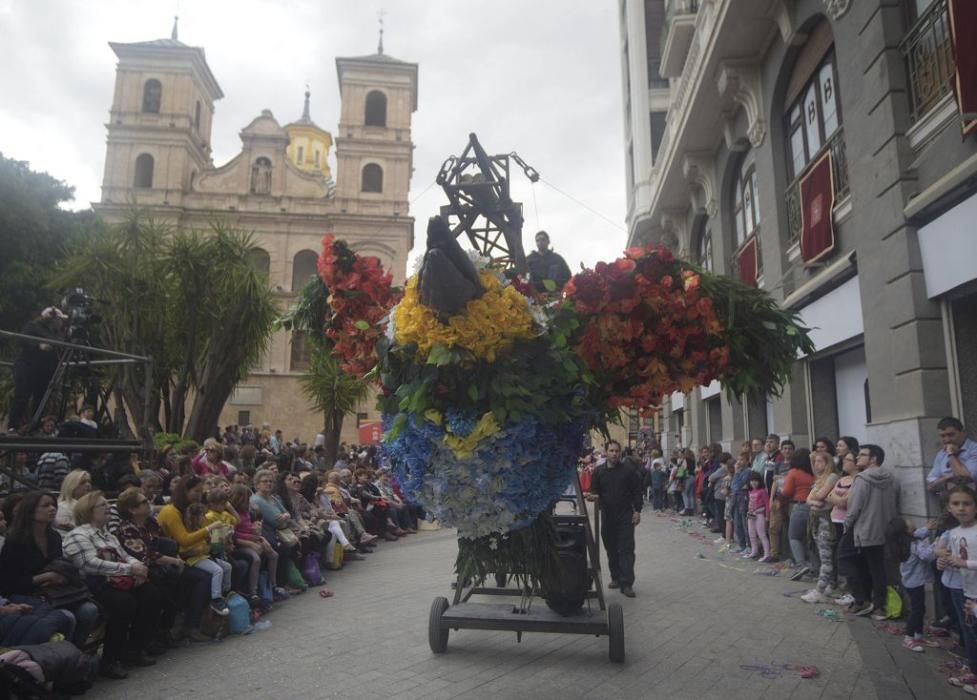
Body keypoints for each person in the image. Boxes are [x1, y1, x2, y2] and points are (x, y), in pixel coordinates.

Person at [62, 491, 163, 678]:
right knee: (123, 602)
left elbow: (125, 556)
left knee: (151, 593)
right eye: (103, 505)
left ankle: (134, 648)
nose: (109, 508)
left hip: (117, 581)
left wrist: (138, 566)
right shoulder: (78, 535)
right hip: (93, 585)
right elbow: (89, 564)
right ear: (88, 510)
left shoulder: (108, 535)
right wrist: (129, 570)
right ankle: (110, 659)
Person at [0, 491, 100, 652]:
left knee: (89, 610)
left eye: (53, 505)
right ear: (31, 511)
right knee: (67, 617)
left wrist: (61, 576)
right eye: (45, 505)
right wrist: (42, 578)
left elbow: (60, 565)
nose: (52, 509)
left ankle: (75, 654)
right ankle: (59, 659)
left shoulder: (54, 537)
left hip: (55, 590)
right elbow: (7, 583)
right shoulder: (15, 542)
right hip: (26, 593)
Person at [841, 444, 897, 618]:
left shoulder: (862, 479)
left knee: (843, 559)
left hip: (862, 529)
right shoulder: (891, 478)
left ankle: (861, 600)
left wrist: (847, 525)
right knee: (875, 567)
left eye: (863, 455)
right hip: (883, 529)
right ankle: (878, 606)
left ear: (873, 459)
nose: (858, 458)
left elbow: (854, 506)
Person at [586, 441, 643, 597]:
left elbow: (638, 492)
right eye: (611, 450)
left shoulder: (629, 471)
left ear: (621, 452)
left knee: (626, 549)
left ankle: (626, 583)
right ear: (606, 452)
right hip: (607, 515)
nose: (614, 453)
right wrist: (593, 496)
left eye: (617, 451)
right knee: (611, 547)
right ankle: (616, 577)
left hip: (625, 515)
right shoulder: (598, 471)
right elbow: (594, 490)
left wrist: (637, 511)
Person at [938, 486, 977, 691]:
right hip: (967, 592)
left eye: (967, 503)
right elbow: (952, 558)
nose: (961, 508)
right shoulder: (953, 533)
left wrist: (965, 564)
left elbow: (965, 562)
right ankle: (973, 672)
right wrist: (943, 563)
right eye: (956, 504)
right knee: (969, 631)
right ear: (949, 507)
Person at [7, 307, 66, 432]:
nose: (61, 322)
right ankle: (13, 425)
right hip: (27, 366)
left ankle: (34, 426)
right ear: (52, 319)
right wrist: (39, 345)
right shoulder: (33, 326)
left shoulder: (58, 333)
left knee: (40, 398)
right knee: (22, 396)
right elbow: (23, 339)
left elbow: (62, 343)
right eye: (59, 319)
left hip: (45, 369)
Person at [801, 451, 840, 602]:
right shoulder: (819, 478)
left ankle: (820, 590)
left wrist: (815, 499)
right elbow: (809, 499)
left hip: (825, 522)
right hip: (816, 520)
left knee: (826, 557)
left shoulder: (832, 477)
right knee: (820, 552)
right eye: (815, 461)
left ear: (827, 463)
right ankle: (828, 585)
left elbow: (820, 496)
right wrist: (814, 501)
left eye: (820, 462)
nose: (816, 464)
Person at [900, 519, 937, 653]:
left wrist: (927, 528)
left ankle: (918, 636)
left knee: (920, 609)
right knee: (916, 611)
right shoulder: (913, 544)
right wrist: (937, 543)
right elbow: (926, 555)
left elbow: (918, 534)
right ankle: (908, 638)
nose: (916, 531)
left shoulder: (903, 541)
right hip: (915, 583)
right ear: (907, 532)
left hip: (909, 581)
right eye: (913, 529)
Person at [782, 448, 815, 581]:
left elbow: (787, 492)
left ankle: (801, 565)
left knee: (794, 537)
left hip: (800, 505)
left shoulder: (793, 472)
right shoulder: (814, 473)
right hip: (814, 507)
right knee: (810, 539)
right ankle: (815, 567)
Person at [927, 417, 977, 498]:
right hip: (950, 505)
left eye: (951, 434)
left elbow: (966, 480)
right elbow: (931, 486)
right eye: (943, 436)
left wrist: (951, 454)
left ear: (963, 433)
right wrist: (951, 477)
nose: (947, 440)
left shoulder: (974, 450)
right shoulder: (941, 454)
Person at [744, 472, 771, 561]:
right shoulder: (750, 491)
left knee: (762, 534)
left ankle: (767, 553)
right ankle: (754, 551)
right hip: (750, 513)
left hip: (760, 514)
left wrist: (767, 516)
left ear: (759, 481)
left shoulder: (763, 491)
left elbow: (767, 504)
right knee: (751, 533)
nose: (754, 483)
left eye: (756, 481)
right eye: (752, 481)